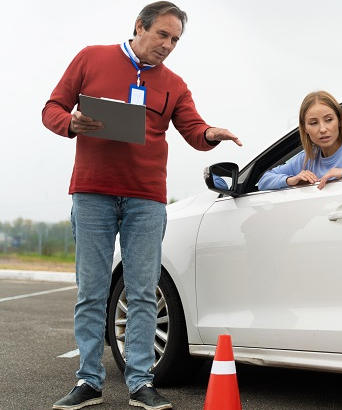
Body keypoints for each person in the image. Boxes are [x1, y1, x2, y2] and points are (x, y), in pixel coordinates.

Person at [42, 2, 242, 409]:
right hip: (93, 193)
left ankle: (139, 382)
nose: (168, 45)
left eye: (175, 40)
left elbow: (193, 128)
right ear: (139, 27)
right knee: (93, 291)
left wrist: (210, 133)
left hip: (146, 199)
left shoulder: (175, 83)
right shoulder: (91, 57)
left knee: (142, 292)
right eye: (162, 35)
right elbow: (52, 109)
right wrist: (72, 123)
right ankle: (88, 381)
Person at [258, 91, 342, 191]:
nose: (322, 129)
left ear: (339, 121)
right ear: (305, 128)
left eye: (328, 120)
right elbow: (263, 181)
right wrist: (291, 180)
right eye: (313, 123)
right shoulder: (306, 158)